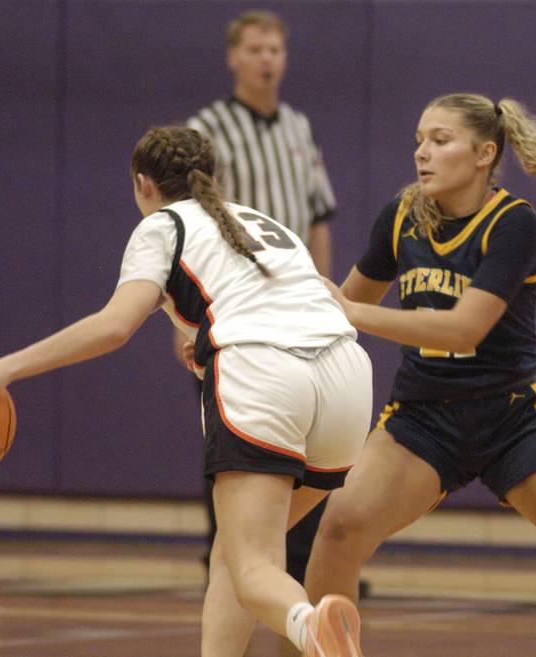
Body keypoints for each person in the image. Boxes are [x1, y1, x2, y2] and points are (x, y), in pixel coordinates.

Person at [0, 125, 373, 657]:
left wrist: (4, 368)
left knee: (253, 565)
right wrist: (205, 341)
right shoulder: (265, 223)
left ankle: (309, 625)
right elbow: (306, 297)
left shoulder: (162, 225)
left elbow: (114, 326)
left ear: (143, 184)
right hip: (347, 379)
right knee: (232, 558)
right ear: (214, 178)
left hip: (267, 374)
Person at [304, 92, 536, 637]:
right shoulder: (401, 218)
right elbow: (339, 312)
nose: (423, 153)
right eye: (419, 141)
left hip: (512, 419)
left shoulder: (514, 224)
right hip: (421, 421)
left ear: (484, 153)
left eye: (440, 141)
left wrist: (353, 312)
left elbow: (464, 328)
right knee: (340, 527)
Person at [183, 9, 339, 591]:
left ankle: (299, 563)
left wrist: (328, 295)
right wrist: (186, 322)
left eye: (275, 49)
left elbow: (319, 215)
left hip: (298, 311)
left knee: (310, 440)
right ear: (234, 58)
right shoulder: (207, 129)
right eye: (256, 49)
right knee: (232, 446)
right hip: (234, 311)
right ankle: (223, 557)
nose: (268, 59)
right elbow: (188, 225)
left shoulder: (298, 126)